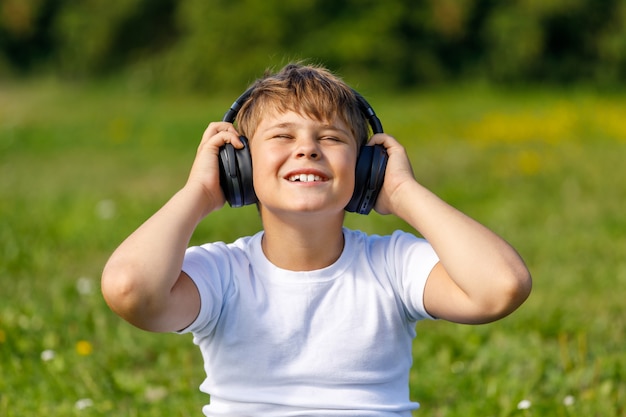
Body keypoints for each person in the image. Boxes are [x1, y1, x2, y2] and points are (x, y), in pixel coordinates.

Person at [101, 63, 532, 416]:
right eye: (283, 136)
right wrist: (198, 193)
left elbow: (501, 287)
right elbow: (129, 289)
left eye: (330, 137)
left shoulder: (392, 265)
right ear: (240, 166)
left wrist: (403, 192)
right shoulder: (224, 274)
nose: (307, 148)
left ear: (366, 169)